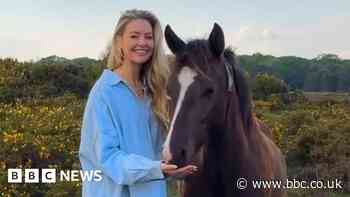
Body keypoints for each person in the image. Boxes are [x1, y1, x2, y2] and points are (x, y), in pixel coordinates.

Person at [79, 9, 197, 197]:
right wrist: (156, 169)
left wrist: (171, 167)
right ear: (119, 42)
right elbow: (108, 158)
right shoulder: (104, 92)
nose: (142, 42)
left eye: (148, 37)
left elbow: (157, 152)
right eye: (134, 36)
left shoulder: (154, 91)